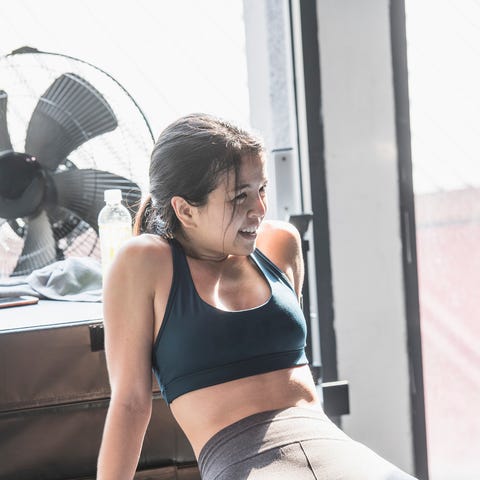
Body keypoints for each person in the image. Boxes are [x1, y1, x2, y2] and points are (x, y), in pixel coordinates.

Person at [96, 113, 417, 480]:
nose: (260, 209)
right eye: (239, 197)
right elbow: (131, 404)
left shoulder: (280, 245)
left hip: (338, 454)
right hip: (243, 464)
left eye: (261, 190)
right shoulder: (144, 261)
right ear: (185, 209)